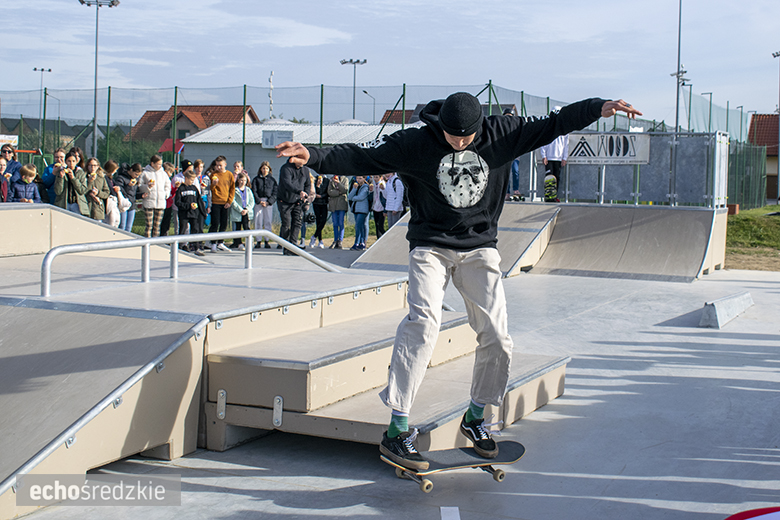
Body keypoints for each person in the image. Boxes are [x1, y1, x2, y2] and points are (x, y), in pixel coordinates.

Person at [277, 92, 641, 470]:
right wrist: (315, 156)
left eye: (466, 138)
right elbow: (363, 155)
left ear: (478, 128)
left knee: (497, 335)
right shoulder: (416, 141)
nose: (459, 143)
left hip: (479, 248)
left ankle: (476, 417)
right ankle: (398, 429)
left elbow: (552, 124)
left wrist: (596, 108)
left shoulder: (503, 133)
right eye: (452, 137)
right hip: (429, 247)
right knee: (424, 325)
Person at [276, 161, 311, 256]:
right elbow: (287, 183)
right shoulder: (286, 168)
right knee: (286, 224)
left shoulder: (305, 170)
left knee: (297, 223)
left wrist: (305, 194)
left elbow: (308, 184)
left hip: (297, 201)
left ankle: (293, 245)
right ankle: (286, 248)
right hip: (284, 200)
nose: (303, 163)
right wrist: (299, 191)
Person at [174, 168, 207, 256]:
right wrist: (188, 206)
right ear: (186, 178)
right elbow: (177, 202)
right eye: (191, 180)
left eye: (194, 180)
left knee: (195, 230)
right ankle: (179, 246)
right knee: (182, 229)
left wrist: (203, 212)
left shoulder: (194, 188)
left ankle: (196, 248)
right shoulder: (181, 189)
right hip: (184, 214)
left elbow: (199, 201)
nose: (192, 181)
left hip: (194, 214)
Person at [539, 108, 569, 203]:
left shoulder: (565, 129)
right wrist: (544, 156)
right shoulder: (548, 127)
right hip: (549, 157)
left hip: (558, 157)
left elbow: (565, 145)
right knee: (549, 177)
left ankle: (554, 196)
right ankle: (548, 196)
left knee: (557, 177)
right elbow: (542, 142)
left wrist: (564, 158)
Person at [207, 155, 235, 252]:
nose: (219, 167)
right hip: (216, 202)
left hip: (225, 202)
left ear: (225, 165)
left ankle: (220, 242)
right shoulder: (213, 175)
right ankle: (213, 243)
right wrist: (214, 184)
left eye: (220, 165)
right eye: (217, 165)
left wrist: (229, 201)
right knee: (215, 223)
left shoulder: (229, 175)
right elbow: (210, 189)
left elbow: (232, 189)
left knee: (224, 223)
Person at [140, 155, 171, 237]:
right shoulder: (145, 173)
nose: (160, 166)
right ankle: (147, 242)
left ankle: (156, 243)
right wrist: (147, 187)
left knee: (157, 226)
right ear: (152, 163)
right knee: (149, 225)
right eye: (158, 164)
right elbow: (140, 186)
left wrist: (166, 194)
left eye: (161, 164)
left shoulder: (163, 174)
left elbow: (168, 185)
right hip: (149, 202)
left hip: (160, 203)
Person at [251, 161, 278, 249]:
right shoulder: (256, 179)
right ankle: (258, 240)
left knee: (268, 221)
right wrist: (258, 200)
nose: (265, 170)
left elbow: (275, 192)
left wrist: (269, 202)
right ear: (260, 169)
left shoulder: (272, 180)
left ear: (269, 170)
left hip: (268, 202)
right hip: (259, 202)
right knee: (258, 221)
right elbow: (254, 191)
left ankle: (267, 240)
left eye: (266, 168)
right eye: (263, 168)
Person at [54, 150, 89, 216]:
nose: (71, 164)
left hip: (77, 204)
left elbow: (82, 190)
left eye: (73, 161)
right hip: (64, 203)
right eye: (69, 161)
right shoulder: (61, 172)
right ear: (66, 162)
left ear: (76, 162)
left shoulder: (80, 172)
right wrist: (61, 178)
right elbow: (58, 191)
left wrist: (73, 178)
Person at [114, 163, 143, 232]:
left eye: (138, 175)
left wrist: (141, 195)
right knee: (122, 226)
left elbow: (135, 193)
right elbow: (120, 191)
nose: (136, 176)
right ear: (131, 170)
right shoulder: (121, 178)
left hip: (132, 205)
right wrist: (129, 186)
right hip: (123, 205)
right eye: (136, 174)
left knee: (129, 227)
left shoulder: (135, 180)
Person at [229, 172, 255, 250]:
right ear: (238, 180)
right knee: (238, 228)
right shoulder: (235, 190)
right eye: (241, 180)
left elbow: (251, 201)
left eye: (244, 180)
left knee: (246, 227)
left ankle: (249, 242)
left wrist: (247, 209)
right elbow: (233, 201)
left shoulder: (248, 190)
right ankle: (239, 243)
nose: (243, 182)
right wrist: (240, 210)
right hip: (238, 212)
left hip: (246, 212)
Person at [327, 174, 349, 249]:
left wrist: (338, 183)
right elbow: (329, 191)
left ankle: (340, 240)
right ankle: (335, 239)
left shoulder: (345, 179)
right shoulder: (331, 180)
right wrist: (338, 193)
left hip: (341, 204)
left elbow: (345, 190)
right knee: (335, 223)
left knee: (340, 222)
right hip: (333, 204)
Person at [348, 176, 370, 250]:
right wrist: (354, 189)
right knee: (359, 226)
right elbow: (349, 197)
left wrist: (354, 198)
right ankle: (361, 242)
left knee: (359, 225)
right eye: (357, 178)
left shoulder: (366, 187)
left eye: (360, 178)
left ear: (364, 179)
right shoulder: (356, 186)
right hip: (356, 209)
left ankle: (357, 242)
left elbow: (361, 197)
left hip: (362, 209)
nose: (358, 180)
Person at [310, 174, 330, 248]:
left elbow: (328, 192)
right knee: (318, 221)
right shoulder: (314, 179)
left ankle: (314, 236)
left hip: (324, 202)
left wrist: (322, 196)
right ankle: (320, 240)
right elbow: (313, 190)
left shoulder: (327, 180)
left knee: (323, 220)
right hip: (316, 202)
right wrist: (317, 186)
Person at [370, 174, 387, 239]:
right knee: (376, 225)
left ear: (381, 177)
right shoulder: (373, 184)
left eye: (377, 177)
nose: (375, 178)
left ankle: (385, 237)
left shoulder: (382, 184)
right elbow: (372, 196)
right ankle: (378, 238)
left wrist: (383, 189)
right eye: (374, 177)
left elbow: (385, 197)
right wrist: (370, 190)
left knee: (381, 226)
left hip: (381, 207)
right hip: (375, 207)